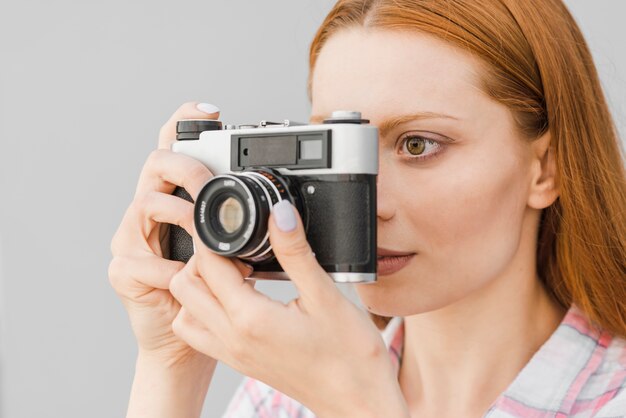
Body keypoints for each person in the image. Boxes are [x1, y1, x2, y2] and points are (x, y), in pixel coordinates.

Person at [108, 0, 626, 416]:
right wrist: (171, 363)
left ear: (546, 169)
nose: (368, 205)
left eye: (419, 145)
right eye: (337, 149)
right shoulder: (285, 400)